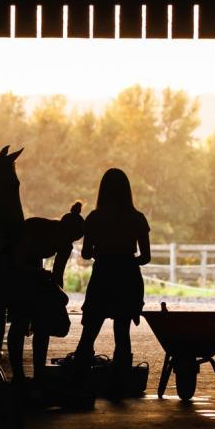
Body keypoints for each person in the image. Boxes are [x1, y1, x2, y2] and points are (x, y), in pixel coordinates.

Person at [0, 202, 84, 393]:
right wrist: (39, 276)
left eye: (71, 241)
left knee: (43, 322)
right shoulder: (38, 229)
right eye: (67, 238)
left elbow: (58, 276)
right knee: (20, 319)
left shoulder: (64, 243)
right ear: (61, 228)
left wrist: (56, 301)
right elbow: (18, 260)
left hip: (33, 269)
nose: (67, 243)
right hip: (11, 265)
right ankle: (18, 376)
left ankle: (39, 374)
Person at [73, 168, 151, 398]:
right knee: (122, 333)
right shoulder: (137, 218)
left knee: (89, 332)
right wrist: (126, 259)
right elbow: (145, 257)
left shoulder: (95, 218)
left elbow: (86, 253)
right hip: (128, 277)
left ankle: (79, 383)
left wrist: (104, 254)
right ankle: (121, 385)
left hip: (103, 276)